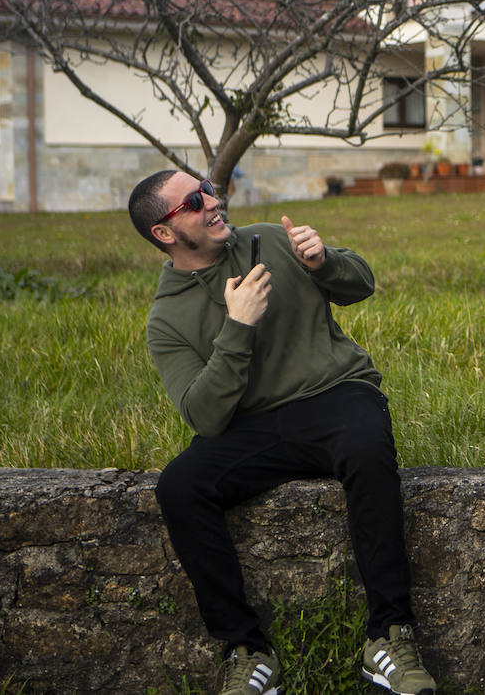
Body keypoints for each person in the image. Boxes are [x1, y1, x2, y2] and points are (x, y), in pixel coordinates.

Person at [127, 170, 435, 695]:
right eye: (195, 201)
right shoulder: (166, 319)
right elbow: (204, 417)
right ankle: (246, 652)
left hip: (336, 393)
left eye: (208, 189)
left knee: (367, 449)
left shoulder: (268, 238)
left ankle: (389, 634)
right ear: (164, 232)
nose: (213, 201)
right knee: (180, 486)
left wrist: (323, 261)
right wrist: (238, 326)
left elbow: (361, 283)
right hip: (252, 427)